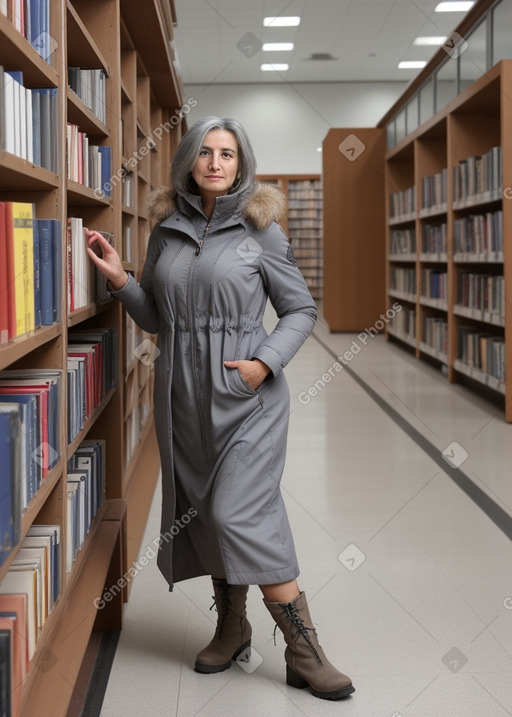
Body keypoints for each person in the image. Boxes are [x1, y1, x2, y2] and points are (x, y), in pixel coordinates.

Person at [85, 116, 355, 701]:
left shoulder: (264, 231)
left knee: (240, 513)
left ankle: (304, 651)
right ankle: (231, 627)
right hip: (181, 398)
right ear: (188, 162)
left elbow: (301, 310)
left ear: (241, 164)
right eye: (204, 152)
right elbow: (159, 319)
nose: (215, 163)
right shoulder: (166, 231)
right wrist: (119, 281)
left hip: (247, 398)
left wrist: (264, 362)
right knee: (206, 510)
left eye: (227, 154)